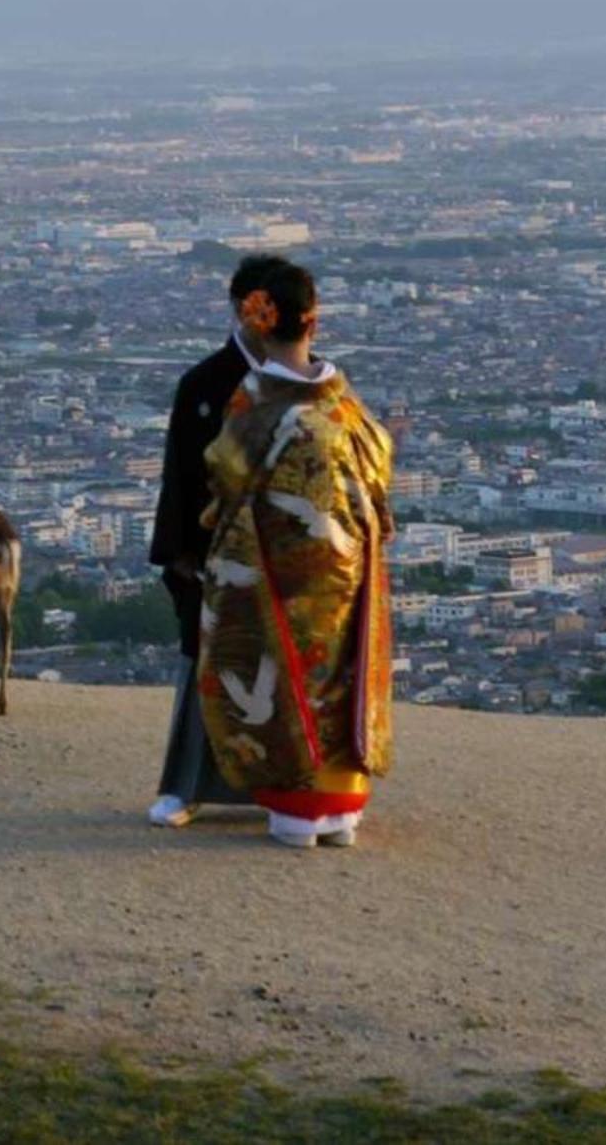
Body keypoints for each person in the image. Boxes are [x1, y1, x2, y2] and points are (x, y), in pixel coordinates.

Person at [195, 259, 396, 849]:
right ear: (313, 319)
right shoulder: (347, 407)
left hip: (274, 569)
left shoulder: (255, 405)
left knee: (280, 669)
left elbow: (223, 481)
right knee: (342, 667)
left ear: (255, 320)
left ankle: (296, 807)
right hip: (348, 568)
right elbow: (378, 477)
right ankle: (340, 807)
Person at [145, 254, 284, 827]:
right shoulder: (203, 383)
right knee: (207, 663)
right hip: (212, 547)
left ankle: (289, 789)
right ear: (243, 310)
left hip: (282, 546)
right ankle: (187, 786)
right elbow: (178, 473)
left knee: (285, 669)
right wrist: (178, 553)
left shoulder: (309, 381)